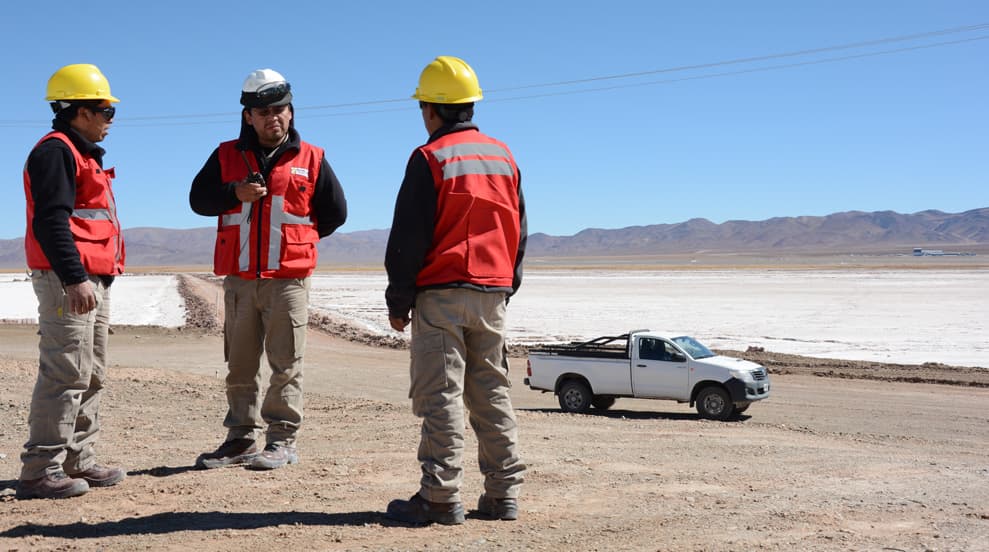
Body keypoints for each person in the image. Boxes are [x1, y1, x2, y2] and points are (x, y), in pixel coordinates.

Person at [384, 56, 527, 525]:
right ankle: (503, 494)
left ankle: (440, 496)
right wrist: (507, 284)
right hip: (492, 293)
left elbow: (409, 236)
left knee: (441, 394)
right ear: (469, 105)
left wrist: (399, 299)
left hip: (442, 294)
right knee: (492, 392)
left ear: (430, 109)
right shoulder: (503, 156)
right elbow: (519, 227)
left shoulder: (430, 157)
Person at [189, 68, 347, 471]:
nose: (273, 117)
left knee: (286, 364)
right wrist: (234, 193)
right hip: (241, 280)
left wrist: (299, 244)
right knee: (240, 364)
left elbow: (335, 213)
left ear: (290, 112)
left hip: (287, 281)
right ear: (248, 117)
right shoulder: (226, 155)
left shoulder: (311, 158)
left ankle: (281, 440)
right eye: (263, 112)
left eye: (280, 109)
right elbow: (198, 200)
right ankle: (241, 438)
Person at [18, 64, 127, 500]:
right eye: (106, 111)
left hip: (91, 279)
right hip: (69, 280)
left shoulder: (82, 155)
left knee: (91, 372)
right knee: (65, 372)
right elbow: (51, 222)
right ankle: (40, 468)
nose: (110, 120)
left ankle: (78, 458)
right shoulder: (56, 152)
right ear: (81, 111)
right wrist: (74, 277)